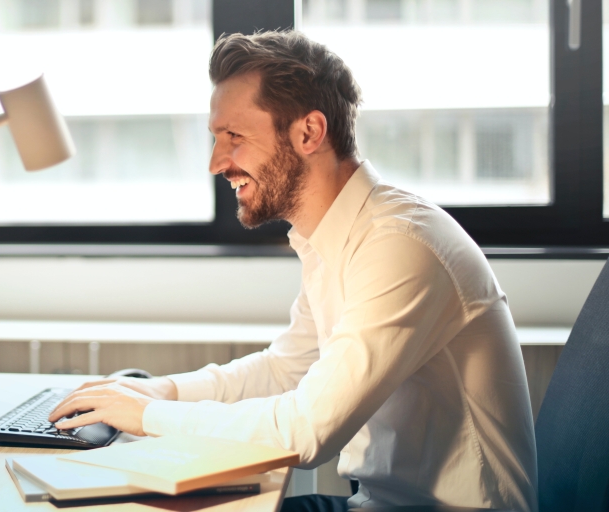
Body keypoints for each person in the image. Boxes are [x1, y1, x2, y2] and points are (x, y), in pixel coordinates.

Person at [49, 31, 538, 512]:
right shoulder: (333, 236)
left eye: (234, 137)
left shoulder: (400, 246)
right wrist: (161, 391)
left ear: (309, 133)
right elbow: (286, 370)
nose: (217, 162)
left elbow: (307, 432)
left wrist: (148, 415)